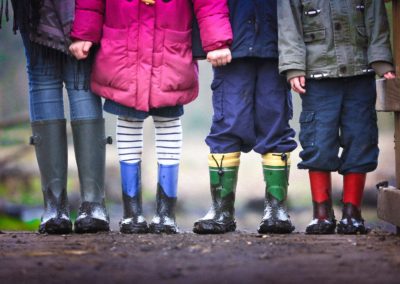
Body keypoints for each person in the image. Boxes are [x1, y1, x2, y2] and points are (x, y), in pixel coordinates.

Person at [69, 0, 233, 234]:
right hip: (123, 50)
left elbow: (209, 4)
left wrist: (216, 41)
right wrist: (84, 32)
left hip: (170, 51)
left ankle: (166, 213)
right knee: (127, 121)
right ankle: (131, 213)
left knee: (167, 123)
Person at [278, 0, 395, 234]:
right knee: (318, 141)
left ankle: (352, 213)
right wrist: (294, 67)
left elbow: (376, 19)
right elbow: (288, 25)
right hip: (316, 75)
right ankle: (321, 213)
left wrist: (382, 61)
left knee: (361, 139)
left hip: (360, 71)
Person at [1, 0, 111, 234]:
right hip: (58, 11)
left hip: (56, 11)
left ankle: (59, 206)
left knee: (55, 80)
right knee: (68, 80)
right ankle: (86, 205)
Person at [193, 0, 298, 235]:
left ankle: (276, 208)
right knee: (227, 126)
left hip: (277, 47)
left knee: (276, 126)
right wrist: (214, 39)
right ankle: (221, 209)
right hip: (230, 48)